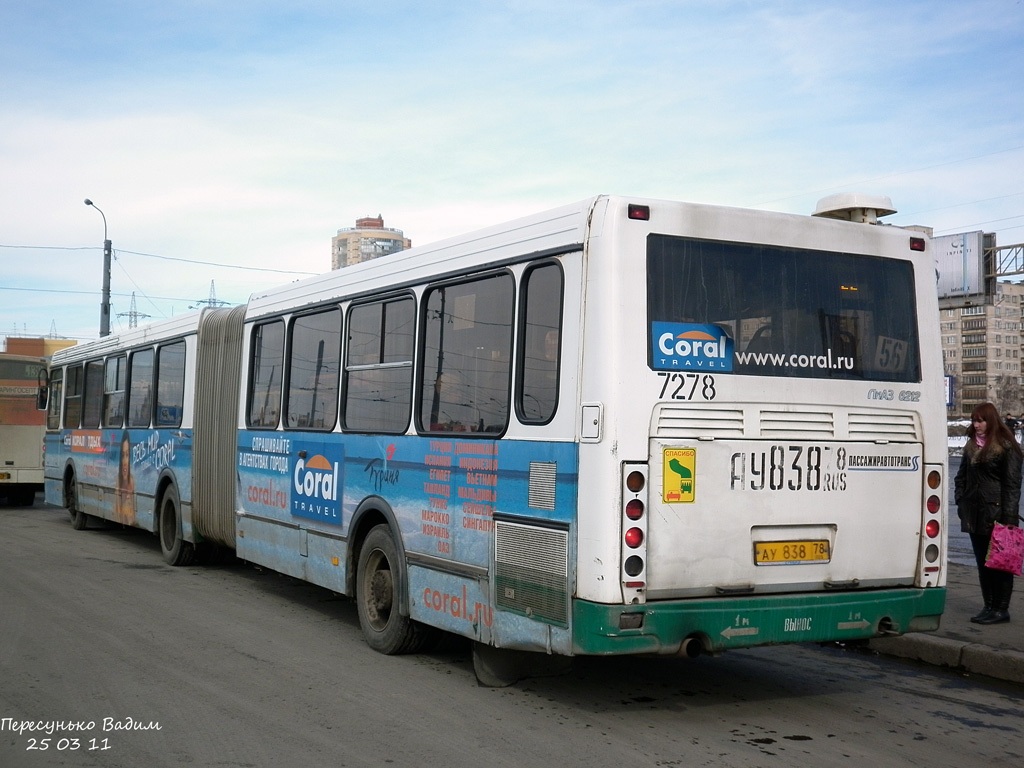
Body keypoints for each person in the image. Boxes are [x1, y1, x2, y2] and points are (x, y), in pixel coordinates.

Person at [954, 402, 1022, 624]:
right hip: (974, 513)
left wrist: (1009, 519)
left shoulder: (1006, 447)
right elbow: (961, 477)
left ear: (991, 421)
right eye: (974, 420)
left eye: (981, 420)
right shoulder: (971, 446)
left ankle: (1001, 609)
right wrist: (960, 500)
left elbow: (1012, 486)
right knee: (983, 562)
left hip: (997, 514)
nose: (976, 425)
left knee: (1000, 563)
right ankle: (989, 606)